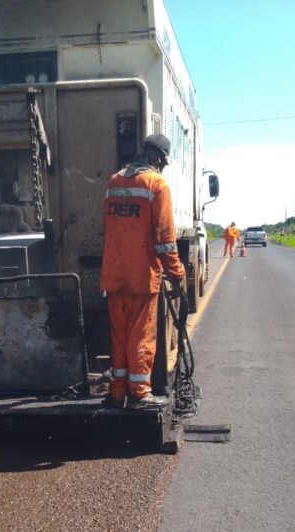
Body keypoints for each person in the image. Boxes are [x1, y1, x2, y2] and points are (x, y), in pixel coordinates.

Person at [100, 134, 186, 410]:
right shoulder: (156, 184)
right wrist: (177, 273)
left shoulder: (113, 182)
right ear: (157, 158)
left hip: (113, 275)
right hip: (142, 276)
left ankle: (117, 392)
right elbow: (164, 239)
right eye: (162, 162)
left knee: (119, 336)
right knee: (140, 336)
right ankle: (139, 393)